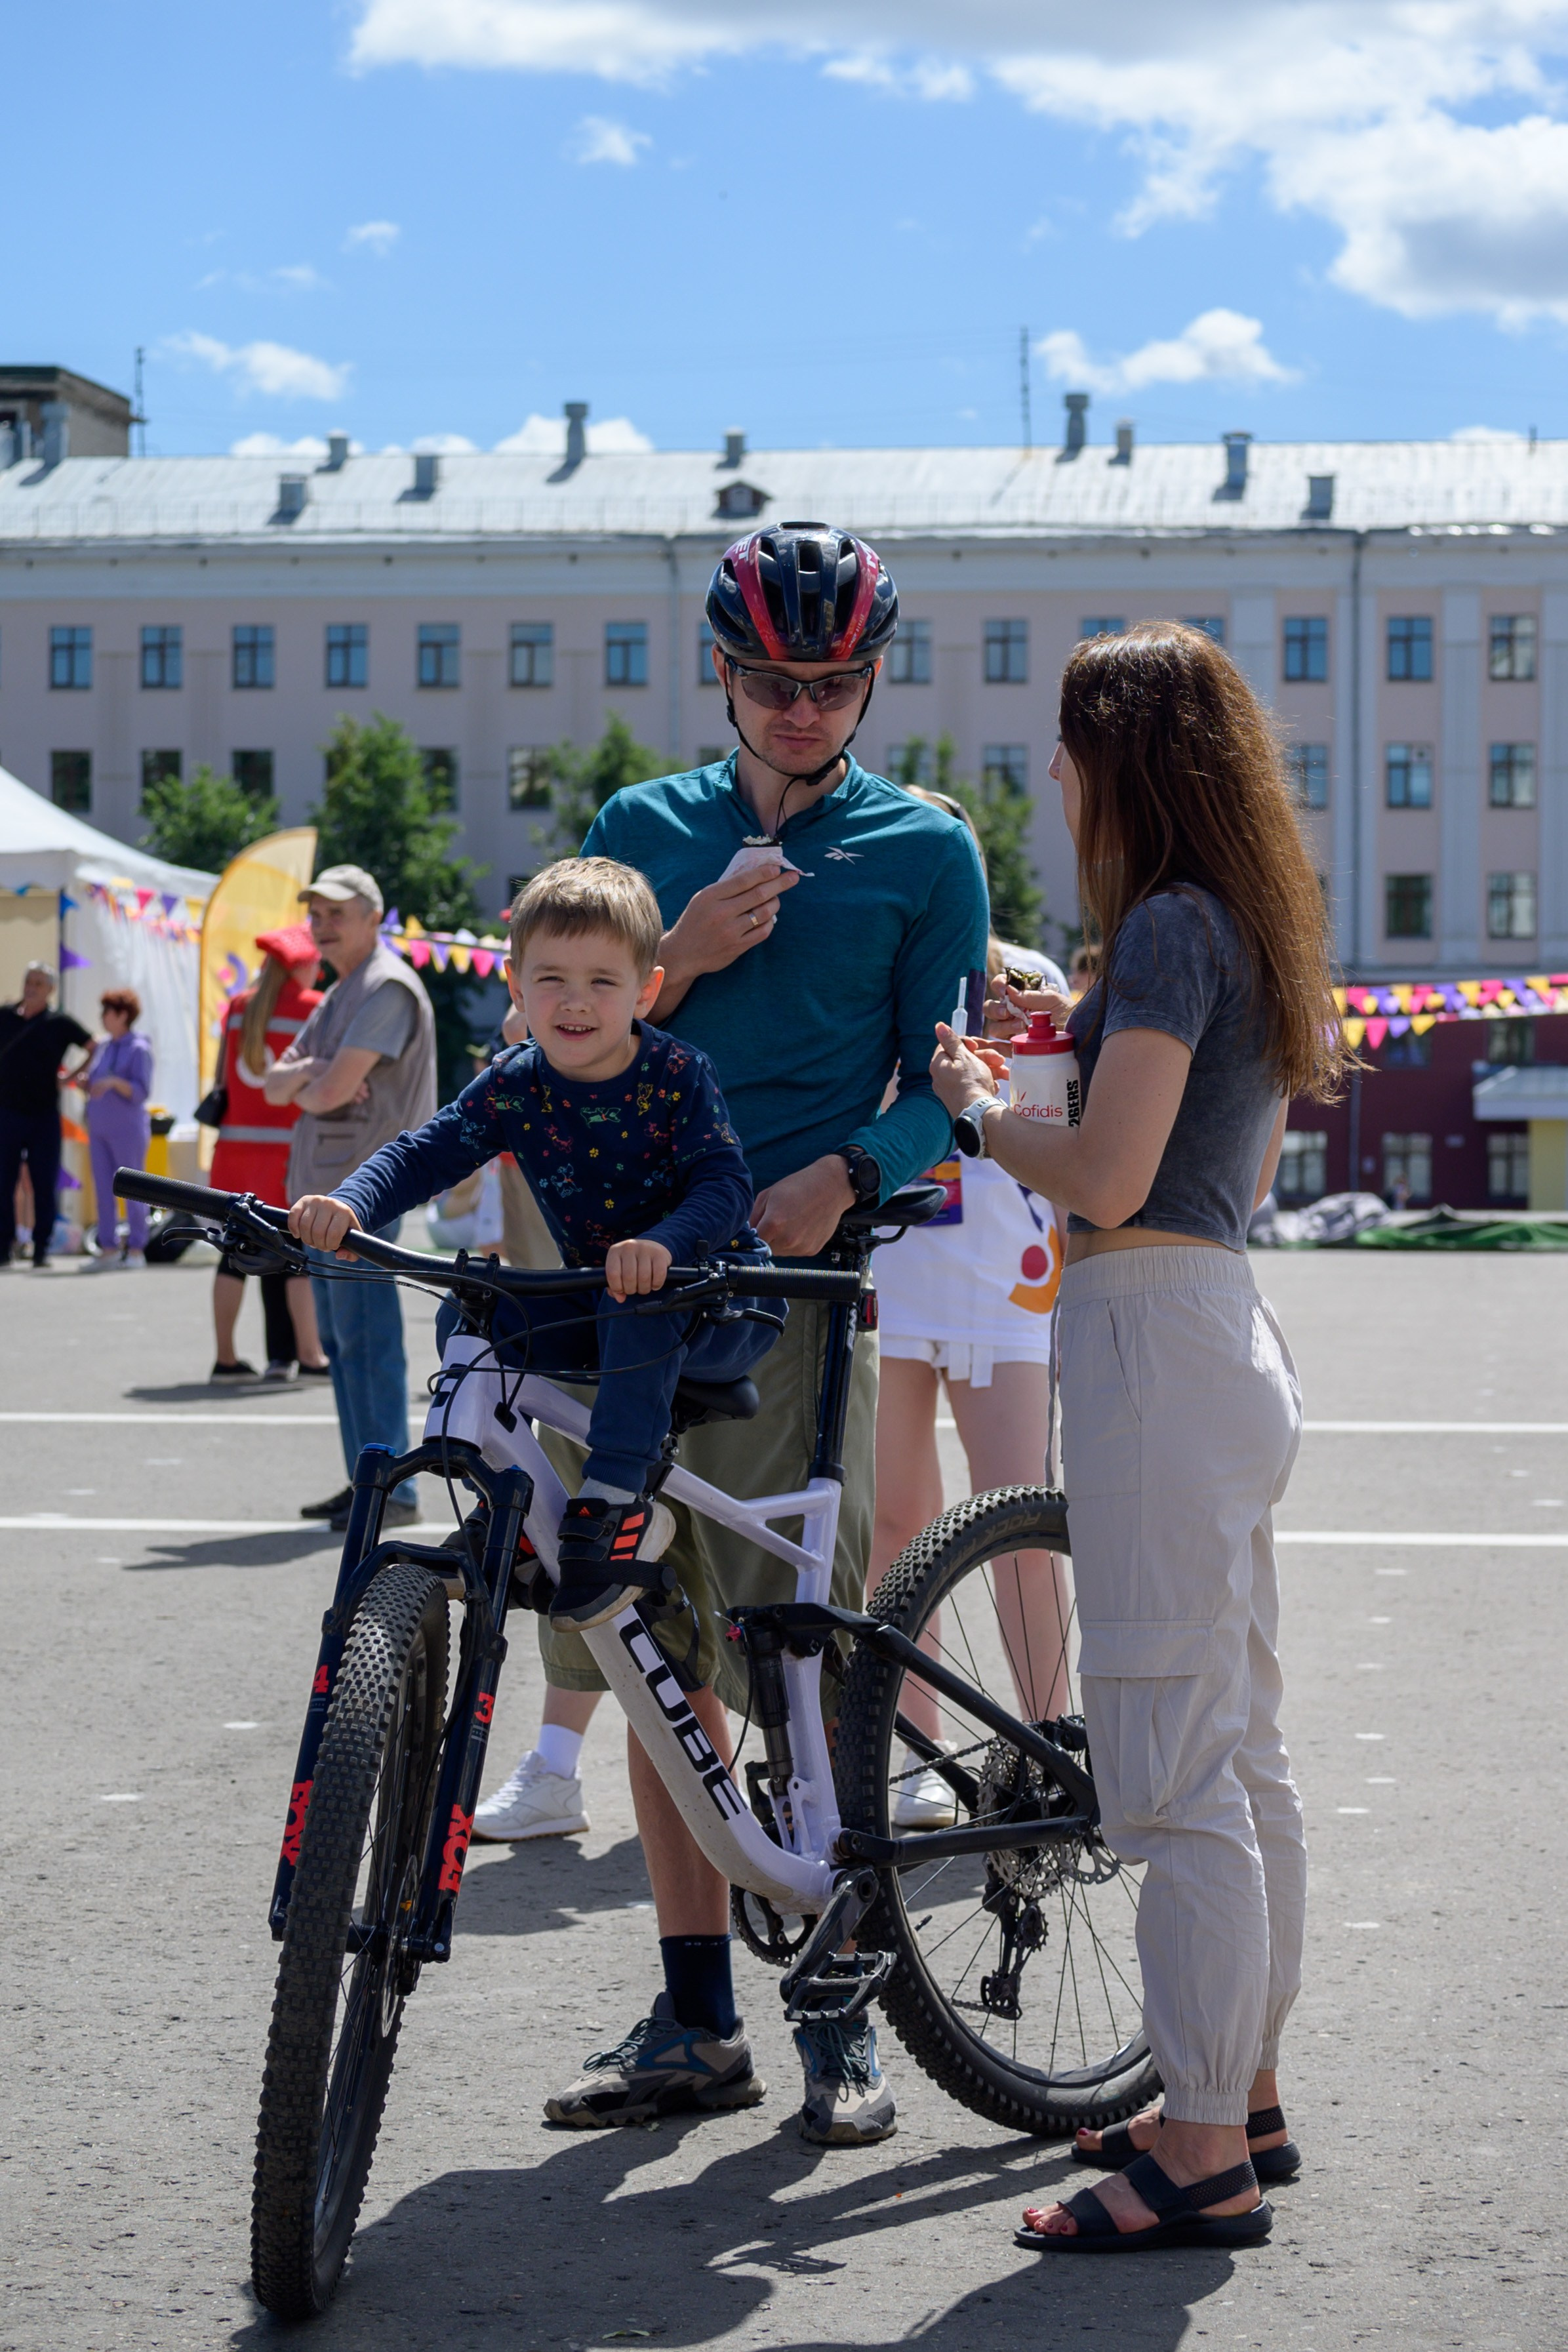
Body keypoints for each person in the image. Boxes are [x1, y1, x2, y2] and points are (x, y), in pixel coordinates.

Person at [477, 523, 988, 2146]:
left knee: (790, 1646)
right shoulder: (644, 828)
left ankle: (838, 2007)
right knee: (643, 1639)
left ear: (868, 681)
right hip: (613, 1270)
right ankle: (695, 2016)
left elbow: (947, 1092)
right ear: (719, 667)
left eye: (832, 681)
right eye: (770, 677)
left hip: (791, 1281)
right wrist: (679, 957)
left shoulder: (924, 848)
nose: (799, 706)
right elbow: (569, 1029)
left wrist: (848, 1170)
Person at [929, 620, 1342, 2254]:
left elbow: (1103, 1176)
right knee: (1236, 1745)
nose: (1051, 774)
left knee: (1169, 1773)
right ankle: (1232, 2088)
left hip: (1149, 1341)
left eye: (1066, 743)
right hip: (1217, 1325)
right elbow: (1209, 1176)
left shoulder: (1168, 929)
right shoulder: (1241, 922)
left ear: (1125, 759)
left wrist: (978, 1108)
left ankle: (1194, 2149)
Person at [291, 857, 781, 1634]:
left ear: (646, 991)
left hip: (720, 1297)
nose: (575, 1002)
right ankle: (501, 1501)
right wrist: (350, 1201)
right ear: (516, 985)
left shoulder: (678, 1073)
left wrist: (662, 1241)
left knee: (639, 1295)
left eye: (602, 982)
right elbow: (425, 1151)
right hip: (609, 1293)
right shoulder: (516, 1081)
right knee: (473, 1310)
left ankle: (619, 1502)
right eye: (551, 980)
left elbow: (724, 1186)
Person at [869, 790, 1072, 1825]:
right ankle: (910, 1753)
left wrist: (1023, 1043)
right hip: (887, 1267)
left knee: (1017, 1520)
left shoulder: (1027, 975)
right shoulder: (861, 960)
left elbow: (1066, 1117)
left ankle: (1046, 1743)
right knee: (894, 1524)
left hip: (1001, 1274)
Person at [265, 866, 436, 1531]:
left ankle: (390, 1484)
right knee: (344, 1337)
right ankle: (366, 1479)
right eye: (316, 912)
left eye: (337, 911)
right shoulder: (343, 991)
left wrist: (312, 1079)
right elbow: (273, 1081)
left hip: (367, 1192)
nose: (323, 923)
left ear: (374, 917)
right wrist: (314, 1075)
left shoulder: (386, 986)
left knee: (367, 1338)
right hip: (332, 1192)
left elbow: (326, 1091)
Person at [209, 925, 331, 1383]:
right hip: (286, 1155)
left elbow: (223, 1081)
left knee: (232, 1256)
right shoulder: (313, 1008)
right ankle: (310, 1355)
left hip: (235, 1152)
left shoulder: (239, 1008)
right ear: (298, 964)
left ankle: (225, 1358)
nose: (319, 968)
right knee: (297, 1252)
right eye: (313, 960)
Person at [0, 962, 94, 1270]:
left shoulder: (59, 1023)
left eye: (39, 983)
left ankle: (41, 1247)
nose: (32, 987)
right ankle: (5, 1246)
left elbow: (94, 1047)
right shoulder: (5, 1017)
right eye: (29, 981)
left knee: (43, 1183)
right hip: (8, 1113)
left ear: (50, 990)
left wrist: (71, 1078)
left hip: (43, 1115)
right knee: (4, 1182)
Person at [82, 989, 155, 1268]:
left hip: (127, 1130)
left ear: (123, 1016)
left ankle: (137, 1249)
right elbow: (95, 1080)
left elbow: (142, 1090)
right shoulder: (104, 1046)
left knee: (134, 1188)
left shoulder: (139, 1048)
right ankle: (108, 1248)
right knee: (102, 1188)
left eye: (107, 1012)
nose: (102, 1018)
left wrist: (113, 1083)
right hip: (99, 1129)